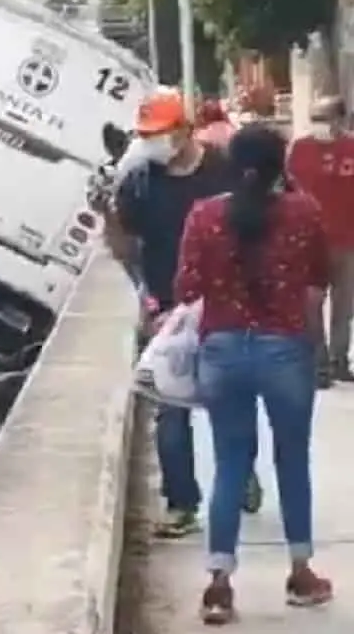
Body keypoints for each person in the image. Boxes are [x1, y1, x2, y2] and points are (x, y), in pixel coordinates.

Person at [174, 123, 333, 624]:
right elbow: (317, 283)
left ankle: (219, 586)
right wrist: (317, 347)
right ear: (279, 165)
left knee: (230, 463)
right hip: (285, 349)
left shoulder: (204, 216)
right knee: (292, 460)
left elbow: (185, 286)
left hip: (221, 351)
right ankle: (301, 573)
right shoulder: (303, 212)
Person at [104, 89, 262, 538]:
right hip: (168, 311)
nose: (151, 144)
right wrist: (108, 215)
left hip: (226, 302)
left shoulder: (224, 170)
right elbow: (126, 249)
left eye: (158, 134)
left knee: (231, 402)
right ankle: (181, 503)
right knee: (169, 410)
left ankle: (243, 471)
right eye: (144, 136)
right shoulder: (139, 183)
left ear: (183, 131)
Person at [287, 95, 354, 387]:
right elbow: (286, 189)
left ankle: (340, 359)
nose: (319, 125)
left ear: (341, 120)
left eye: (324, 118)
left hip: (348, 240)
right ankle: (319, 365)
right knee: (310, 303)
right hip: (309, 241)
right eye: (315, 118)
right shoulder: (300, 149)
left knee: (345, 305)